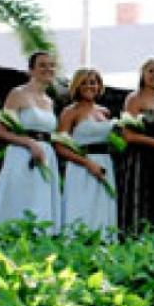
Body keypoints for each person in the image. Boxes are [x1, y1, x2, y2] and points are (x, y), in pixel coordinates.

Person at [0, 51, 62, 233]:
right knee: (19, 200)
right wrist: (29, 143)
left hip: (45, 157)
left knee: (39, 203)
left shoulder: (49, 102)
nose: (48, 69)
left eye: (51, 65)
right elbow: (1, 132)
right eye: (42, 65)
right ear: (31, 70)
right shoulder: (18, 93)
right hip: (21, 155)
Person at [119, 57, 154, 234]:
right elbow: (127, 135)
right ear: (142, 75)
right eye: (150, 71)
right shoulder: (134, 99)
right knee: (142, 201)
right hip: (141, 158)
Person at [55, 68, 117, 232]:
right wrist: (87, 163)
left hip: (105, 164)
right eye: (84, 82)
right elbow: (60, 146)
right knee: (81, 206)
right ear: (76, 85)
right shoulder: (70, 112)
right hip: (81, 167)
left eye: (93, 82)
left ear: (99, 86)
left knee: (102, 206)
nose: (89, 86)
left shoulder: (104, 112)